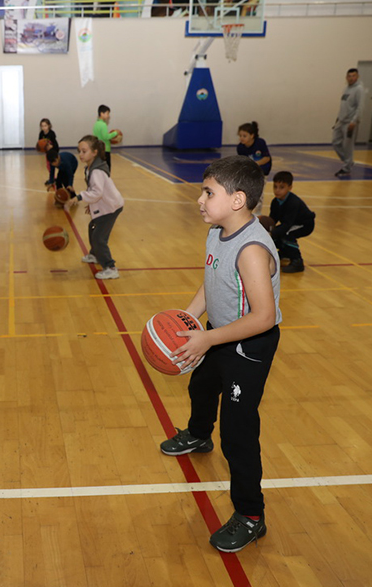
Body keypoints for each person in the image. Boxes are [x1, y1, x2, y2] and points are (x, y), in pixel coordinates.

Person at [160, 155, 281, 553]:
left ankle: (251, 515)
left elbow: (263, 317)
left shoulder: (251, 249)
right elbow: (212, 281)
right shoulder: (217, 231)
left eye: (208, 192)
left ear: (237, 200)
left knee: (238, 432)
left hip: (249, 344)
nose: (199, 199)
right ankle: (197, 435)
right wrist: (187, 319)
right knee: (201, 386)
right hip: (220, 333)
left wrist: (209, 340)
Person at [64, 135, 124, 280]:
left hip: (111, 207)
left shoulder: (97, 171)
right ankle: (95, 255)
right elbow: (94, 190)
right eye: (79, 151)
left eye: (84, 151)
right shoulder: (90, 168)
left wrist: (78, 198)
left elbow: (96, 193)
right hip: (104, 205)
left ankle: (110, 267)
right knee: (92, 227)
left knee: (98, 238)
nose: (81, 154)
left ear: (95, 152)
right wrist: (91, 205)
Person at [264, 171, 315, 274]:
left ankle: (297, 261)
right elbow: (273, 220)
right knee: (276, 235)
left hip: (305, 224)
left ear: (290, 187)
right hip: (291, 224)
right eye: (275, 187)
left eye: (281, 187)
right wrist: (265, 230)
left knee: (287, 234)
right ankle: (284, 253)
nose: (277, 190)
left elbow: (287, 225)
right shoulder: (275, 202)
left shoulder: (293, 202)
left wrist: (272, 233)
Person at [332, 68, 364, 177]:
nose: (351, 78)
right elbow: (343, 105)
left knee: (347, 146)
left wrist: (353, 122)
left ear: (357, 77)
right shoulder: (346, 89)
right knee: (335, 142)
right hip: (341, 121)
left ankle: (346, 168)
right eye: (349, 76)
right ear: (346, 77)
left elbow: (360, 107)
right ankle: (348, 162)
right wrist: (338, 118)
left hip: (350, 122)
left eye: (353, 76)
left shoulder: (359, 89)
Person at [92, 105, 118, 171]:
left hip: (98, 149)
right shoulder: (103, 125)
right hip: (105, 149)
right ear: (101, 113)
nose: (108, 116)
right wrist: (115, 133)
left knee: (99, 168)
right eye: (107, 113)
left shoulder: (96, 124)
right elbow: (106, 137)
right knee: (106, 169)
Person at [38, 118, 59, 186]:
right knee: (48, 166)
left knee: (52, 165)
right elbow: (40, 142)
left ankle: (52, 179)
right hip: (47, 151)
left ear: (49, 126)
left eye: (45, 125)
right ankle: (53, 178)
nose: (44, 127)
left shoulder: (51, 133)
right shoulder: (41, 133)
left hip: (54, 150)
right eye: (42, 126)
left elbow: (54, 143)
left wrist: (51, 146)